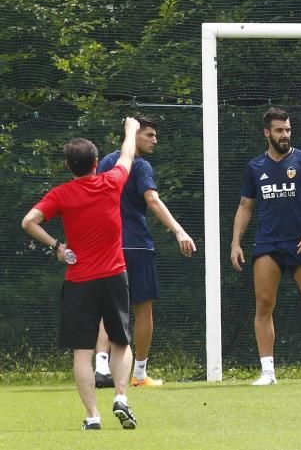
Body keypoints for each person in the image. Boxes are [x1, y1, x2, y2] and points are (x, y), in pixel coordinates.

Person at [21, 118, 141, 430]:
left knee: (82, 353)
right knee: (121, 342)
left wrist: (57, 246)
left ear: (68, 165)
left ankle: (93, 417)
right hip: (115, 276)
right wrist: (130, 130)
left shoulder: (61, 194)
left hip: (79, 282)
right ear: (97, 163)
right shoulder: (111, 181)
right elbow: (128, 154)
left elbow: (29, 221)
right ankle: (121, 397)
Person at [230, 107, 301, 385]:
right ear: (267, 133)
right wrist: (235, 243)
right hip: (268, 244)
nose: (285, 134)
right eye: (279, 130)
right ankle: (268, 372)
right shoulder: (254, 167)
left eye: (288, 129)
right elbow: (245, 206)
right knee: (263, 305)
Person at [92, 115, 197, 389]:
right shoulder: (140, 165)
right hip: (136, 245)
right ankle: (139, 374)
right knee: (143, 310)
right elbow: (152, 199)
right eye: (149, 134)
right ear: (134, 134)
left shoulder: (105, 162)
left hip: (107, 246)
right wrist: (179, 231)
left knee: (108, 309)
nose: (155, 140)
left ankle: (102, 367)